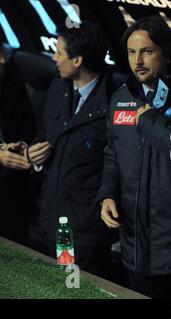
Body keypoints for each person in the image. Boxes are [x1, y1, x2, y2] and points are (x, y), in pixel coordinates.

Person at [97, 16, 171, 299]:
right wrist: (108, 194)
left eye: (146, 51)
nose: (137, 60)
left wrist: (150, 120)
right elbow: (113, 153)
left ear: (166, 53)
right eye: (131, 52)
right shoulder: (121, 98)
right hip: (136, 245)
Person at [26, 22, 117, 278]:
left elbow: (117, 166)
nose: (54, 58)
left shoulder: (115, 102)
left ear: (77, 60)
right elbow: (44, 134)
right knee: (50, 288)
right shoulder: (58, 87)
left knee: (74, 289)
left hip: (84, 232)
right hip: (49, 221)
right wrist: (34, 154)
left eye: (59, 52)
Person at [0, 47, 36, 245]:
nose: (3, 60)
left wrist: (22, 145)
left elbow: (29, 123)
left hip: (13, 186)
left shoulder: (12, 77)